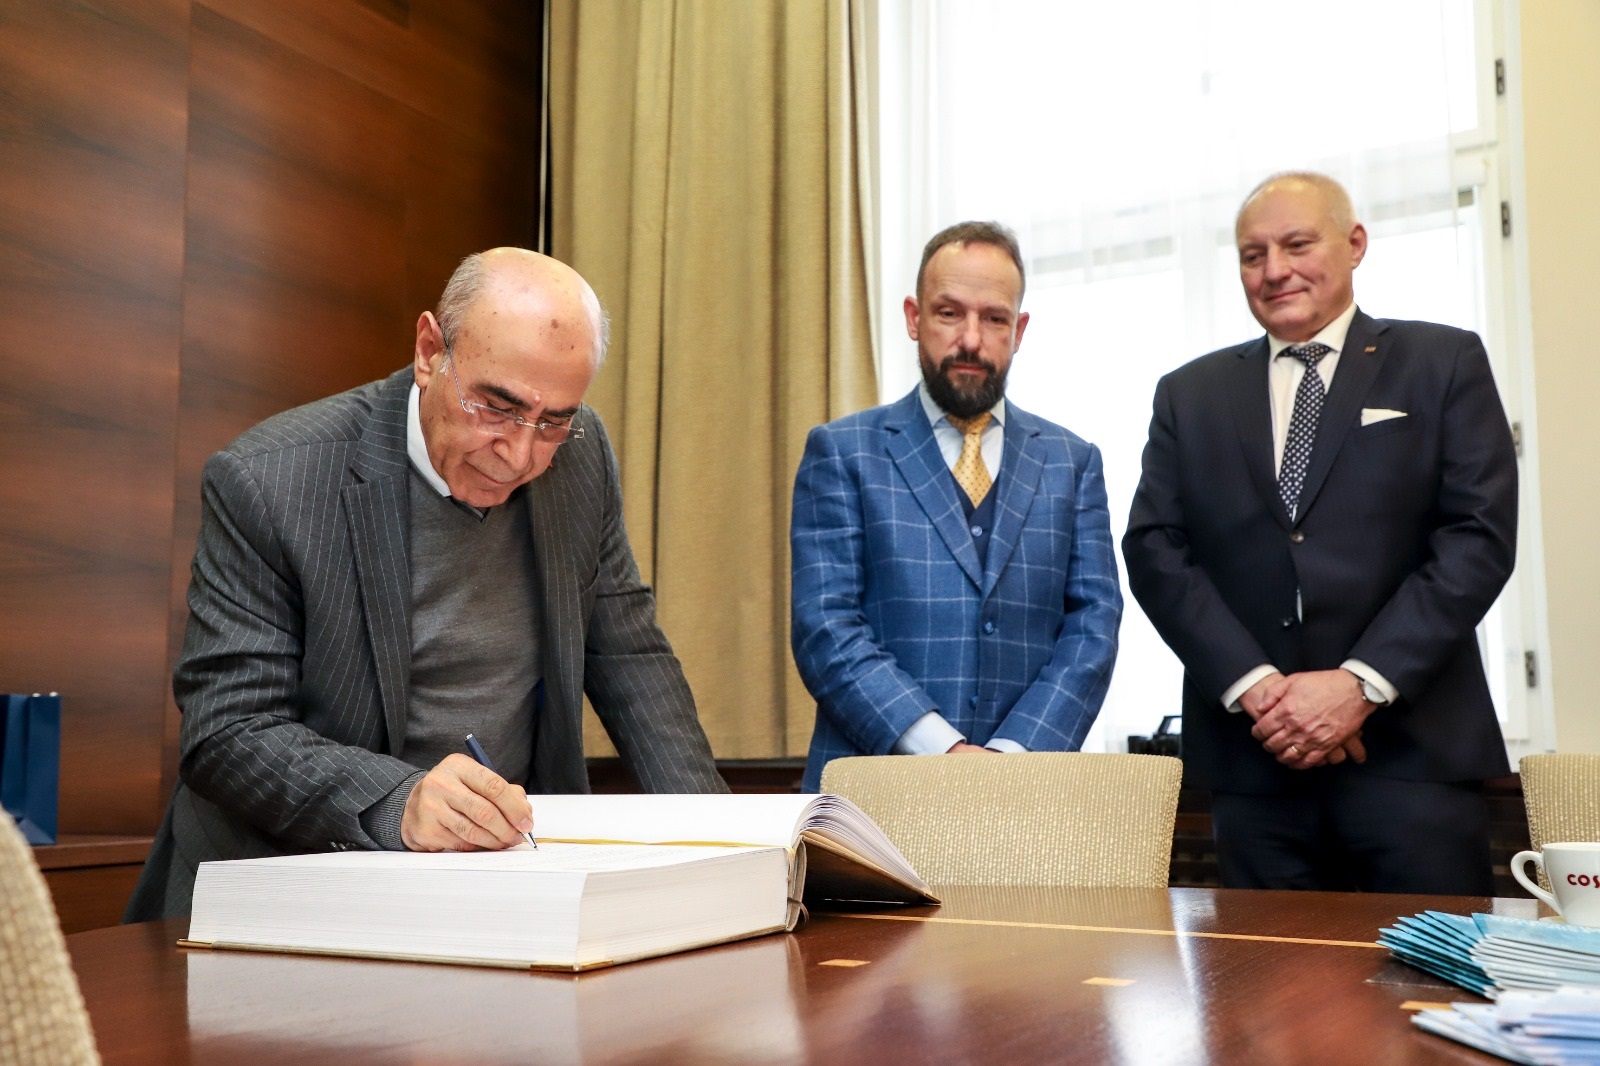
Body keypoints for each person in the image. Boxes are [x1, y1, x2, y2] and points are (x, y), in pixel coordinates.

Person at [126, 248, 726, 920]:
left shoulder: (580, 460)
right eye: (495, 407)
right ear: (429, 351)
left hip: (494, 885)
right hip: (291, 886)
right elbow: (228, 731)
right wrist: (397, 799)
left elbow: (632, 657)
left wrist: (730, 846)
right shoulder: (271, 482)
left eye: (553, 421)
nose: (519, 455)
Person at [1122, 173, 1518, 893]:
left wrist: (1358, 686)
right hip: (1255, 768)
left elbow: (1477, 536)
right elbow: (1154, 550)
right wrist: (1258, 690)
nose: (1274, 270)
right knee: (1264, 972)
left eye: (1297, 245)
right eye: (1253, 255)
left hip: (1414, 763)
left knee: (1431, 968)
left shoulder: (1443, 361)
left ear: (1355, 243)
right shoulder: (1189, 394)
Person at [791, 221, 1122, 792]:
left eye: (994, 319)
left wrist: (1008, 757)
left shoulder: (1073, 462)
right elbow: (826, 627)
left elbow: (1093, 626)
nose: (971, 339)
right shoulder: (841, 452)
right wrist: (943, 751)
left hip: (1025, 795)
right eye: (949, 313)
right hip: (871, 795)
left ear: (1019, 330)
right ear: (914, 318)